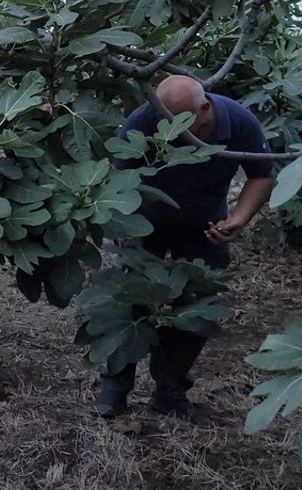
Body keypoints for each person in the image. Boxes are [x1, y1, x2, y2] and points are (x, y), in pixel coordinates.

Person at [95, 74, 275, 423]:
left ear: (204, 108)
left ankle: (170, 392)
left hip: (204, 227)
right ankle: (114, 388)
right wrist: (124, 230)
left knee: (196, 308)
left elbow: (261, 174)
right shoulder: (142, 120)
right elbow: (120, 179)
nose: (170, 129)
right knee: (128, 303)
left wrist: (239, 219)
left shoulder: (239, 121)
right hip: (143, 225)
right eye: (164, 120)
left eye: (180, 121)